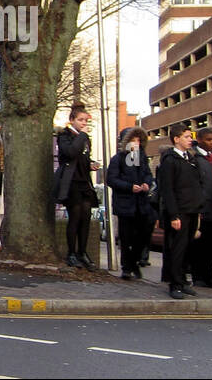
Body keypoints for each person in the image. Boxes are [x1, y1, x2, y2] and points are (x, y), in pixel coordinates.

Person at [157, 124, 205, 299]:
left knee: (187, 249)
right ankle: (175, 283)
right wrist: (173, 215)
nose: (190, 139)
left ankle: (183, 280)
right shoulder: (169, 160)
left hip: (192, 210)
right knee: (177, 249)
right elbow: (167, 190)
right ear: (176, 139)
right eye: (186, 136)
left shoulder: (190, 159)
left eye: (190, 136)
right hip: (180, 211)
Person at [55, 106, 99, 270]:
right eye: (80, 120)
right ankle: (71, 253)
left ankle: (82, 252)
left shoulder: (85, 138)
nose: (83, 123)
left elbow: (82, 158)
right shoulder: (65, 135)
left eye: (85, 120)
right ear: (72, 120)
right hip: (71, 182)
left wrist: (91, 164)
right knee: (75, 215)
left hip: (84, 181)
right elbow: (71, 153)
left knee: (86, 216)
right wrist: (82, 135)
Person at [107, 127, 153, 280]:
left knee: (143, 234)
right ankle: (127, 267)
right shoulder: (118, 159)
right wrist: (129, 187)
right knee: (126, 237)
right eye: (133, 140)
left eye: (139, 141)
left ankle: (133, 262)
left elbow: (148, 175)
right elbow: (111, 179)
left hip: (141, 202)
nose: (137, 144)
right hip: (125, 204)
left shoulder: (142, 158)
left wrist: (146, 184)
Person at [187, 128, 212, 289]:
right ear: (201, 140)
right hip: (200, 207)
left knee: (211, 245)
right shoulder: (194, 157)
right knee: (199, 245)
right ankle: (198, 276)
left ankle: (209, 277)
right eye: (209, 140)